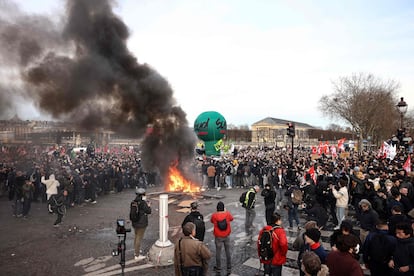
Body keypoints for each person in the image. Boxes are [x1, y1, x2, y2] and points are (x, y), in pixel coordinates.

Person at [210, 201, 234, 276]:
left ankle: (218, 268)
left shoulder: (214, 215)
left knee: (218, 252)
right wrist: (225, 211)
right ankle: (229, 267)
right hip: (226, 236)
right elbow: (232, 219)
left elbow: (211, 221)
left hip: (218, 237)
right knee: (228, 251)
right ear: (223, 208)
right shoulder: (227, 214)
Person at [130, 188, 151, 260]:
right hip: (141, 223)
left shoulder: (133, 202)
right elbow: (148, 211)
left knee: (136, 236)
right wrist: (149, 205)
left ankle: (136, 250)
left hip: (135, 222)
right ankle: (137, 255)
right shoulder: (143, 203)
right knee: (139, 237)